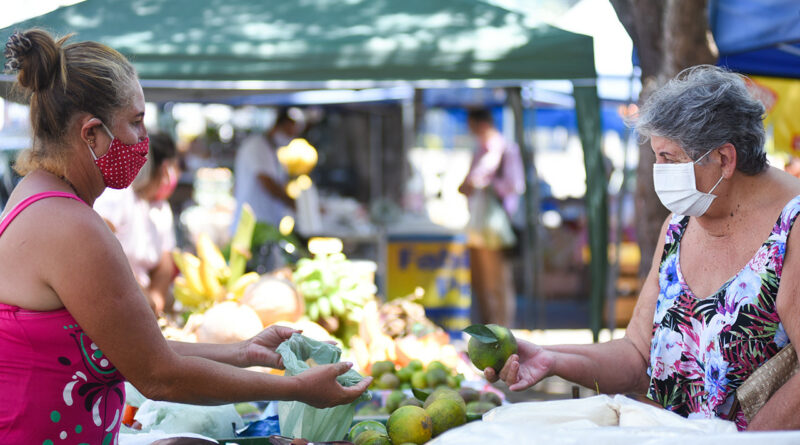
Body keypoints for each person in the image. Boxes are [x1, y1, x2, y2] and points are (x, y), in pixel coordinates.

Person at [0, 29, 371, 443]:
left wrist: (245, 353)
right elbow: (160, 377)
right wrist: (296, 389)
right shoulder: (70, 225)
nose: (144, 141)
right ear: (92, 134)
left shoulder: (37, 194)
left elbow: (143, 350)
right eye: (136, 122)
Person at [485, 65, 800, 431]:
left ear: (725, 159)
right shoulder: (678, 227)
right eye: (656, 156)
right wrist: (551, 359)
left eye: (669, 158)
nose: (658, 169)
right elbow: (637, 354)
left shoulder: (791, 229)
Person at [94, 133, 180, 317]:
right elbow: (99, 245)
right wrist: (141, 295)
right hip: (116, 302)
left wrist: (156, 299)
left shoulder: (161, 208)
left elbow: (166, 261)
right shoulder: (119, 196)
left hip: (143, 307)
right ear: (165, 169)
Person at [458, 108, 525, 327]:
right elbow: (468, 184)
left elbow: (515, 185)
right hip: (477, 228)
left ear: (482, 124)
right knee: (481, 285)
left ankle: (502, 331)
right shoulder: (480, 150)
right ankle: (488, 331)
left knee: (498, 284)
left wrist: (487, 185)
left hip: (497, 229)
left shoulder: (506, 150)